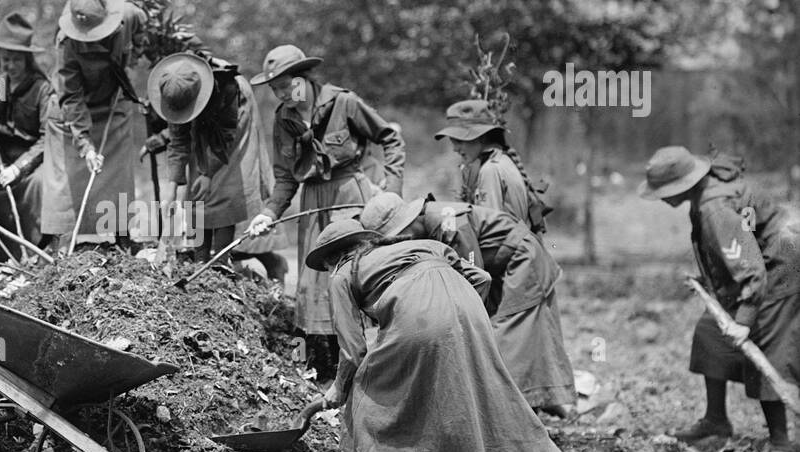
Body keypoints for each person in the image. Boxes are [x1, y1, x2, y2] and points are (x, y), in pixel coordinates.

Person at [307, 219, 612, 452]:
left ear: (333, 258)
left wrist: (339, 389)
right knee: (499, 407)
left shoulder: (343, 275)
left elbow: (353, 350)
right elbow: (481, 279)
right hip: (470, 313)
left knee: (369, 394)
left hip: (421, 322)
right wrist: (456, 320)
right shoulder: (421, 245)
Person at [247, 44, 405, 376]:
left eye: (285, 86)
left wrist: (392, 191)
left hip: (350, 196)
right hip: (313, 202)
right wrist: (269, 212)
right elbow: (285, 176)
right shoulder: (284, 119)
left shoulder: (343, 102)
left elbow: (389, 137)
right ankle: (325, 368)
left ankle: (374, 363)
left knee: (351, 274)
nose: (280, 95)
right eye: (274, 89)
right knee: (314, 280)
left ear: (303, 78)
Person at [639, 146, 800, 452]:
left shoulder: (714, 207)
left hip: (782, 268)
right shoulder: (704, 193)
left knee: (768, 341)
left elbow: (751, 269)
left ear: (681, 185)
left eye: (663, 191)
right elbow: (734, 251)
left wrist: (744, 320)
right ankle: (716, 421)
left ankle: (780, 442)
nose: (661, 197)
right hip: (762, 266)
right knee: (710, 331)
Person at [367, 192, 576, 416]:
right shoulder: (432, 223)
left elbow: (473, 281)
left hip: (522, 262)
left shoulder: (451, 223)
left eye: (399, 235)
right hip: (502, 266)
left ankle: (512, 411)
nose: (401, 242)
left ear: (410, 220)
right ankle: (529, 402)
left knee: (507, 339)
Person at [42, 0, 147, 247]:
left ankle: (123, 239)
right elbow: (71, 96)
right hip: (76, 112)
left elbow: (142, 34)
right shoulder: (66, 44)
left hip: (113, 100)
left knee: (119, 175)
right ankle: (63, 245)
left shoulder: (129, 15)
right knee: (67, 182)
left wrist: (133, 58)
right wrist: (85, 145)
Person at [146, 51, 270, 264]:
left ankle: (221, 260)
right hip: (205, 118)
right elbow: (178, 140)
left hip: (232, 119)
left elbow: (226, 136)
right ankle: (200, 260)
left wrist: (209, 173)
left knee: (225, 185)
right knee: (197, 192)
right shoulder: (174, 92)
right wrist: (172, 188)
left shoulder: (229, 87)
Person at [0, 12, 54, 261]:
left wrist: (18, 168)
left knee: (38, 186)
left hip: (32, 164)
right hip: (2, 162)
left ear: (27, 59)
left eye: (15, 60)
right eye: (5, 60)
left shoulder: (41, 89)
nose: (10, 66)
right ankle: (4, 264)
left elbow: (47, 138)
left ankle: (38, 255)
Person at [434, 99, 546, 232]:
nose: (455, 149)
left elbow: (489, 229)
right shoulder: (501, 161)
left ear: (480, 137)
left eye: (459, 141)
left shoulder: (490, 170)